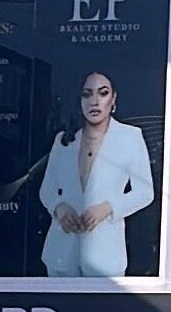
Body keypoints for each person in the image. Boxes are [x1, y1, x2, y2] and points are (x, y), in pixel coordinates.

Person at [38, 71, 156, 277]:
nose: (94, 101)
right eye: (87, 94)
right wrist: (59, 207)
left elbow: (145, 192)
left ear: (113, 99)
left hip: (105, 255)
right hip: (61, 251)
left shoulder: (130, 137)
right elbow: (47, 189)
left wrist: (108, 207)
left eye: (102, 93)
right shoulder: (64, 140)